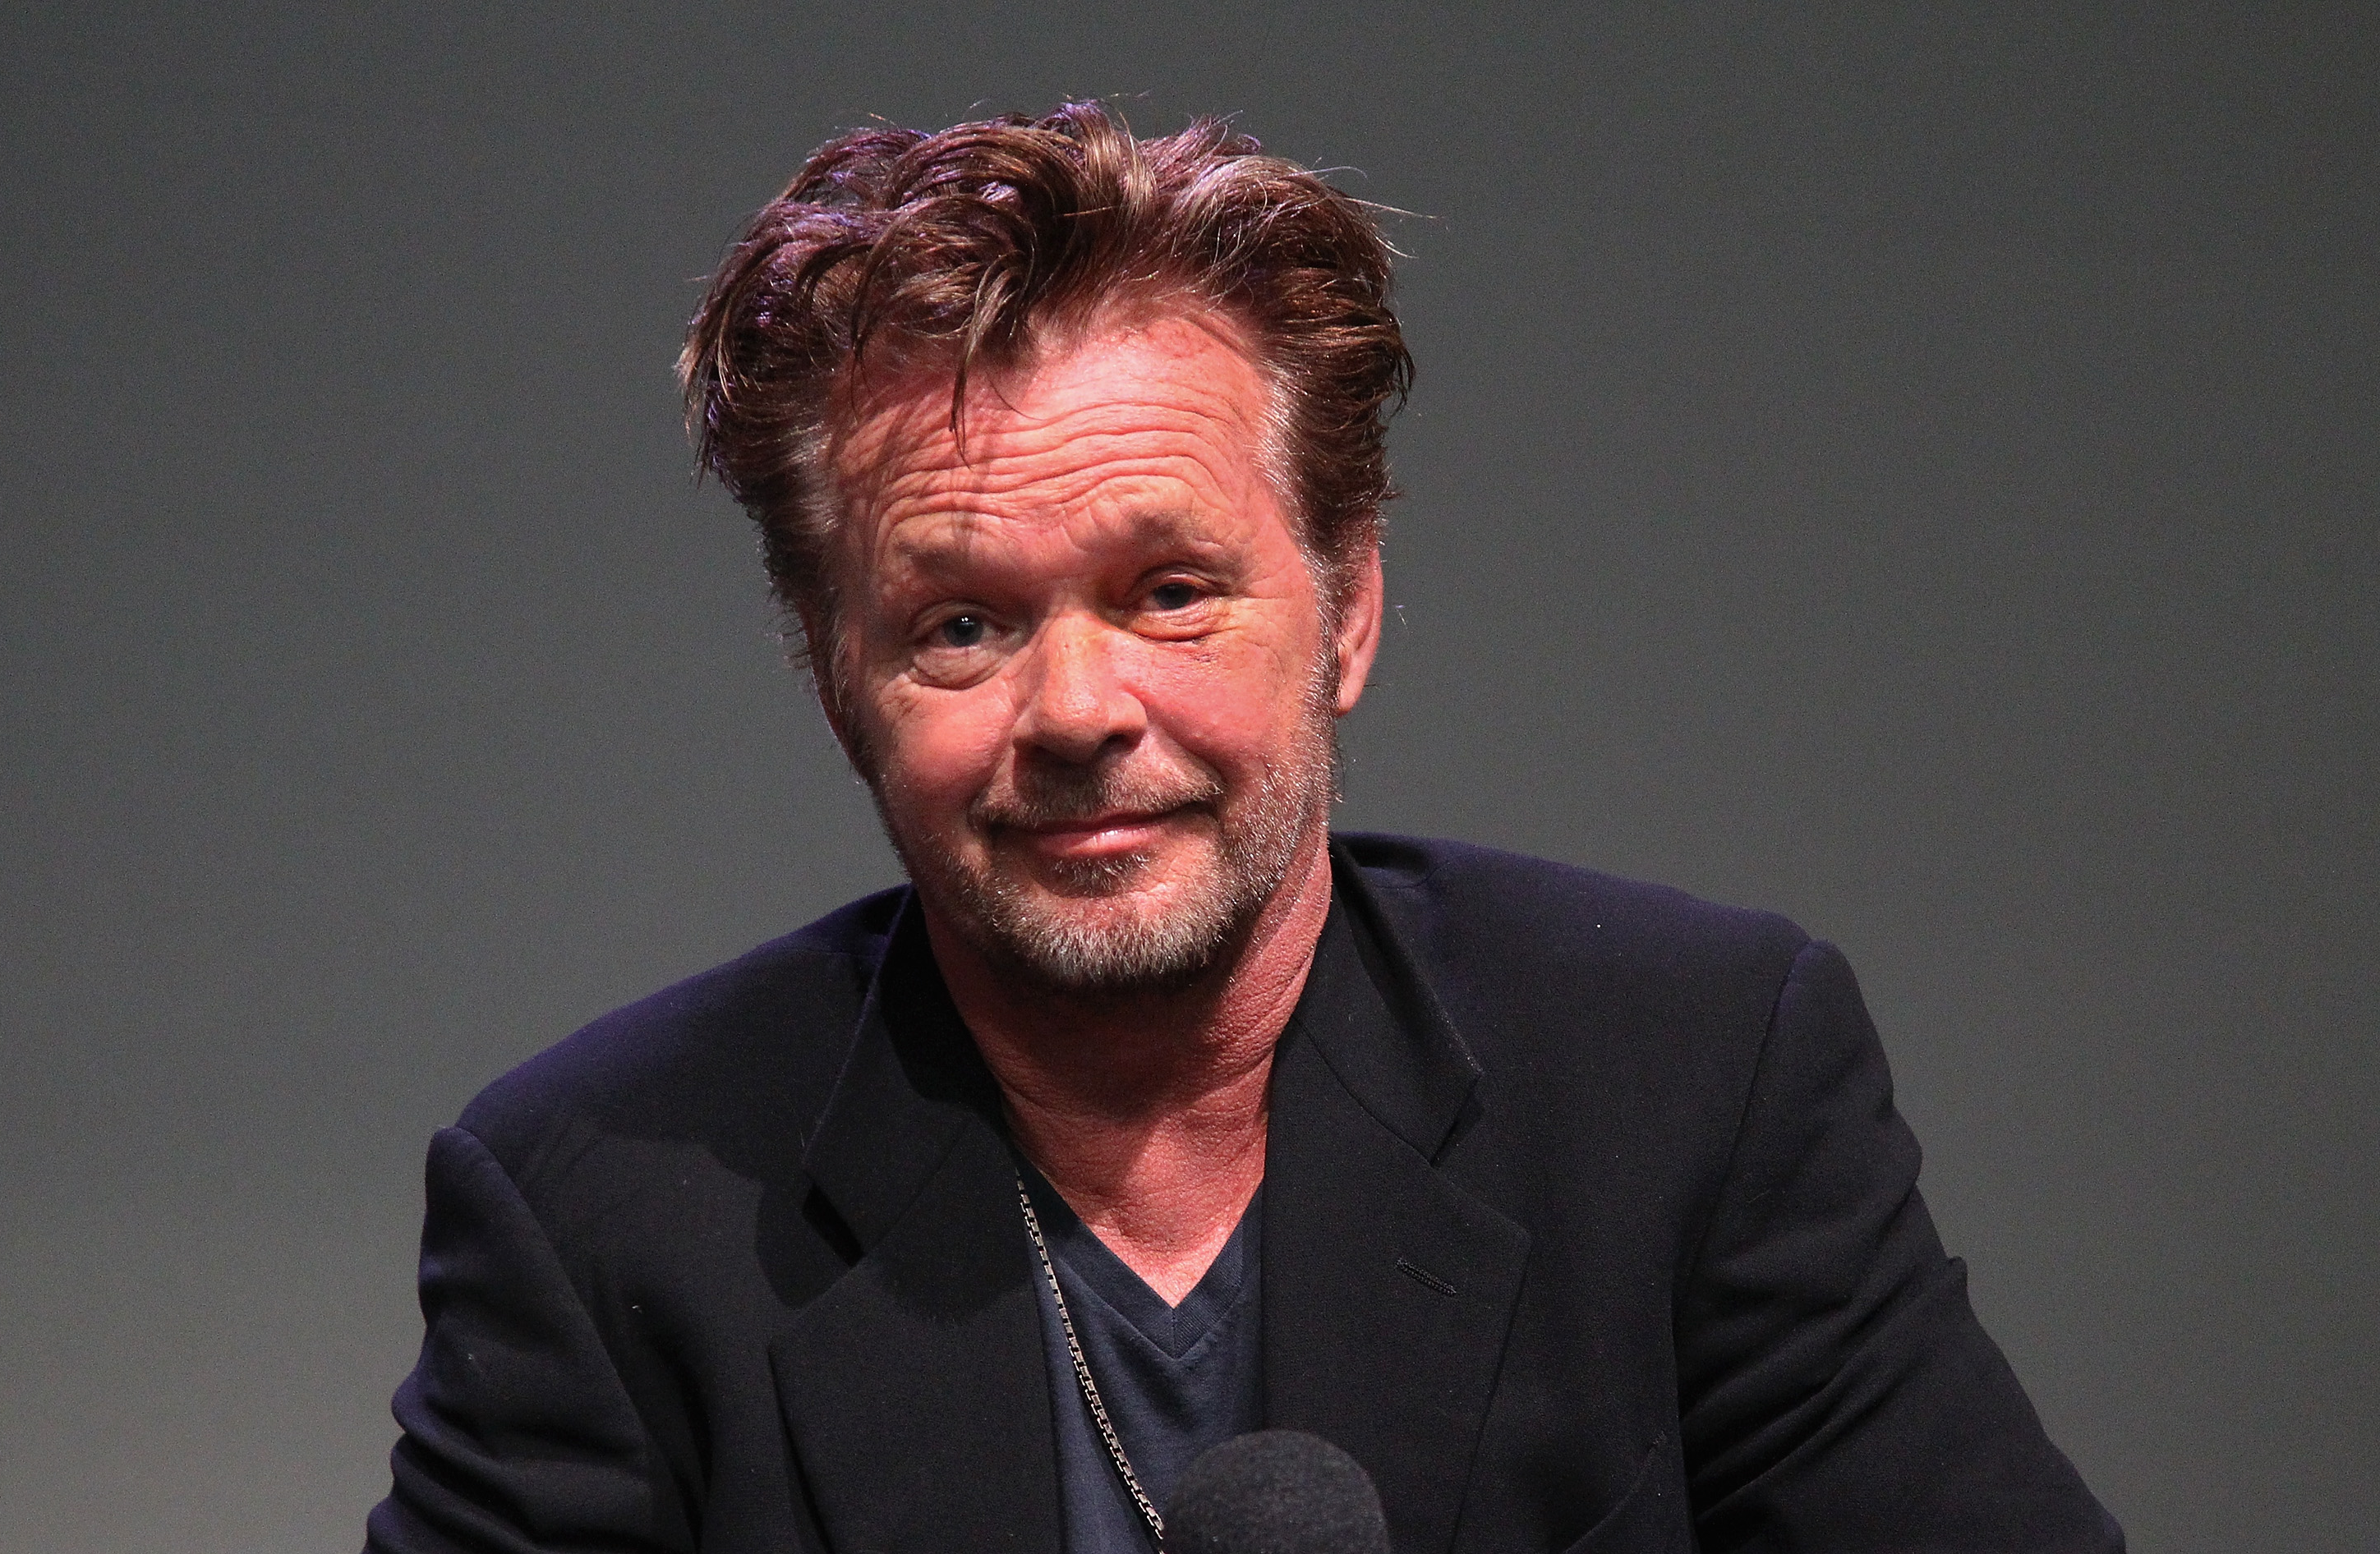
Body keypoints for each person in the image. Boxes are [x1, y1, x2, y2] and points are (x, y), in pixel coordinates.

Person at [366, 103, 2122, 1554]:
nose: (1075, 709)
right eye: (960, 623)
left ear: (1347, 610)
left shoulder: (1692, 1083)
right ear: (840, 685)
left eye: (1171, 591)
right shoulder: (599, 1212)